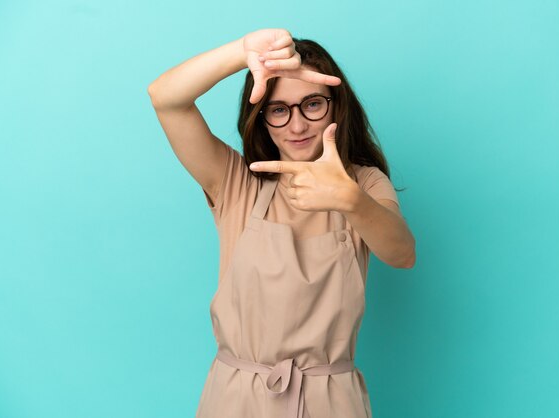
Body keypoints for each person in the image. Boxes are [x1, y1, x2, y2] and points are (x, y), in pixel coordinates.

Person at [148, 28, 416, 418]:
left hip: (331, 400)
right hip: (237, 397)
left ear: (336, 106)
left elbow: (402, 252)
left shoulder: (363, 183)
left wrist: (349, 200)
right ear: (262, 119)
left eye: (312, 104)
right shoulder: (235, 182)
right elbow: (166, 98)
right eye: (279, 109)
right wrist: (242, 52)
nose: (296, 126)